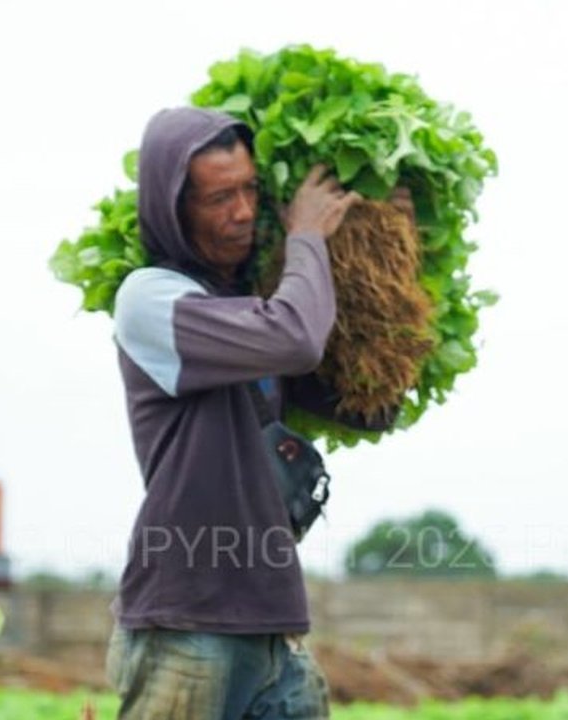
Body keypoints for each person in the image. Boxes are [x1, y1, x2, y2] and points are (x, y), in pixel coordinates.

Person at [103, 106, 385, 719]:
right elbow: (295, 339)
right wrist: (307, 235)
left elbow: (368, 405)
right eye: (219, 197)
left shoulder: (249, 306)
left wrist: (388, 284)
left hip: (271, 624)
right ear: (173, 209)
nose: (243, 212)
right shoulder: (151, 299)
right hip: (185, 623)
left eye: (251, 189)